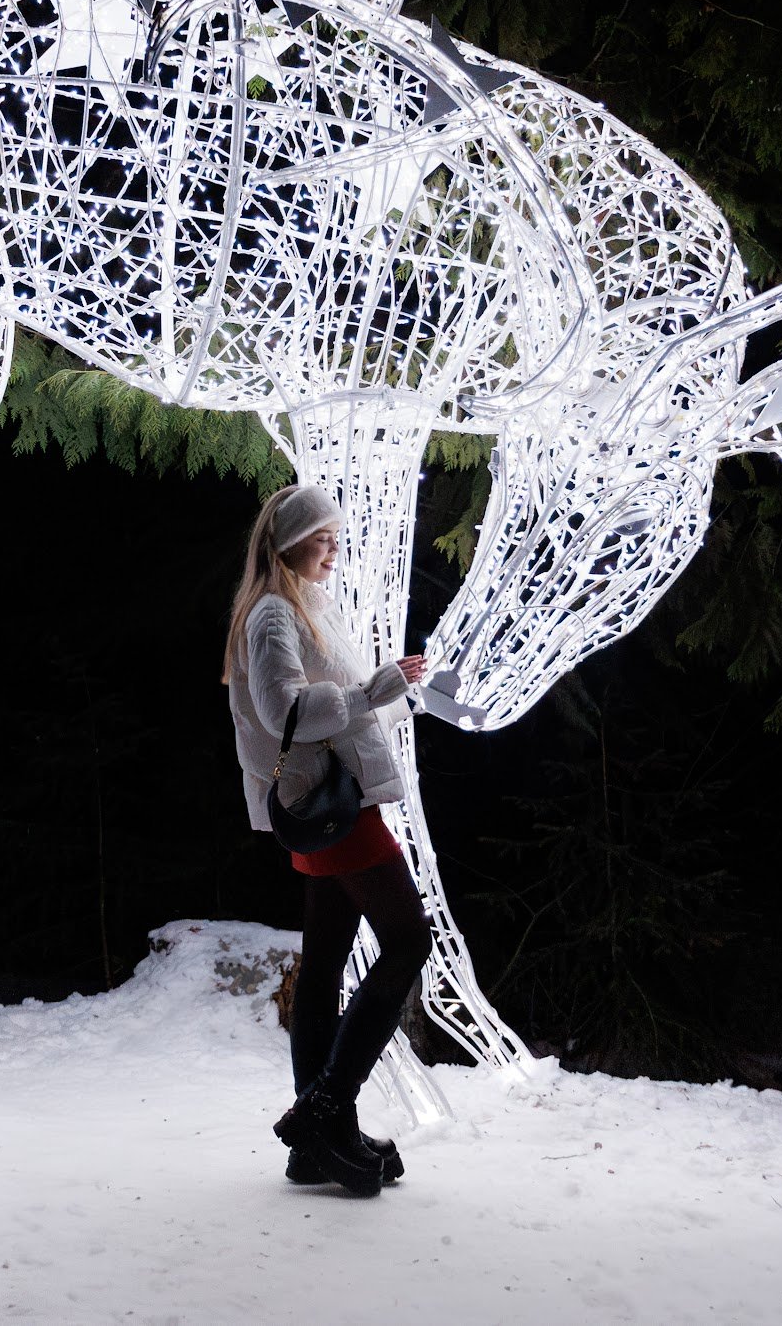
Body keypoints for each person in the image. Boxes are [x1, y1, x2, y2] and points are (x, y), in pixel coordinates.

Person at [224, 482, 435, 1196]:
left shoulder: (297, 607)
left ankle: (323, 1137)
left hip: (323, 804)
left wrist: (383, 693)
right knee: (409, 939)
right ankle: (323, 1109)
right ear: (289, 542)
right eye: (323, 537)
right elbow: (284, 706)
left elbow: (330, 695)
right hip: (330, 806)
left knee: (324, 965)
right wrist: (374, 691)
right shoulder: (274, 614)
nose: (334, 547)